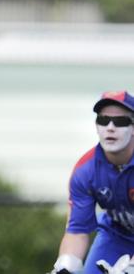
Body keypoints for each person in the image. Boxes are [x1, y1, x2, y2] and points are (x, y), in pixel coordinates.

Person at [51, 91, 134, 274]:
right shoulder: (85, 171)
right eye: (103, 120)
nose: (110, 127)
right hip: (117, 234)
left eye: (120, 121)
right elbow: (77, 230)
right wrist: (66, 265)